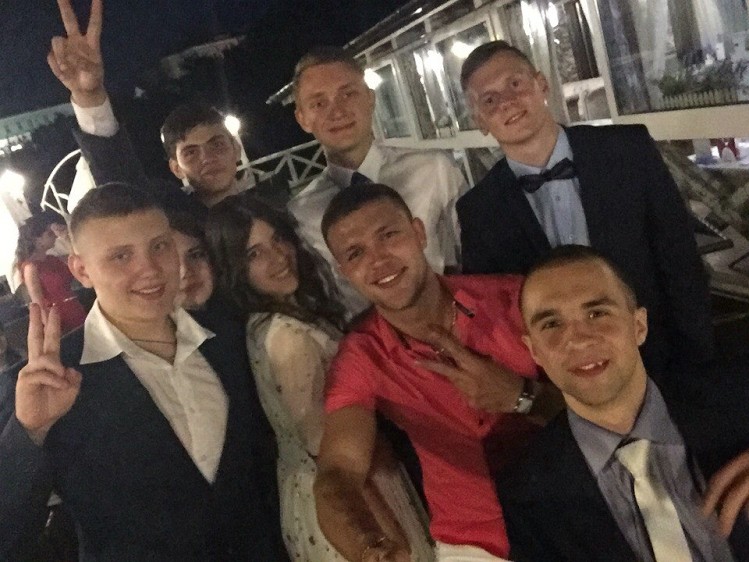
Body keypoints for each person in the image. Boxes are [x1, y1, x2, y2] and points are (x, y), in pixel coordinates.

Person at [0, 184, 287, 561]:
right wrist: (28, 433)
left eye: (159, 246)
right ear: (81, 270)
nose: (150, 269)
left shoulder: (229, 337)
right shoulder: (47, 380)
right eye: (121, 256)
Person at [314, 183, 555, 562]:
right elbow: (338, 472)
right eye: (356, 253)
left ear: (419, 233)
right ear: (344, 273)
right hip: (473, 544)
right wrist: (370, 548)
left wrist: (522, 396)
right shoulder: (363, 355)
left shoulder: (515, 298)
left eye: (388, 235)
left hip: (570, 506)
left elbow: (610, 402)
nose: (378, 260)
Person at [456, 40, 714, 380]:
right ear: (479, 120)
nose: (507, 102)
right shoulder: (478, 210)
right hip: (564, 383)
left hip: (661, 359)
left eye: (515, 84)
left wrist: (697, 360)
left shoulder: (628, 149)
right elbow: (499, 315)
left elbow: (679, 258)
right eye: (489, 100)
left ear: (541, 84)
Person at [206, 196, 434, 561]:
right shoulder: (288, 337)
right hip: (356, 498)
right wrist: (384, 535)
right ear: (234, 269)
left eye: (278, 239)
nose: (278, 257)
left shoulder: (273, 320)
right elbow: (324, 454)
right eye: (254, 254)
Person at [498, 244, 749, 562]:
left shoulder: (737, 394)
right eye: (551, 324)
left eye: (596, 313)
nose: (578, 339)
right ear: (534, 351)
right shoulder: (529, 497)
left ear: (639, 326)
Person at [288, 46, 469, 315]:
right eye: (318, 103)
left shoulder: (433, 169)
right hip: (365, 335)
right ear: (302, 118)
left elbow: (471, 255)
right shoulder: (301, 213)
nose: (337, 111)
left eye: (348, 94)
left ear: (370, 98)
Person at [47, 0, 269, 212]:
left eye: (217, 145)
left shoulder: (275, 212)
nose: (207, 158)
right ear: (176, 168)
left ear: (236, 149)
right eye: (191, 152)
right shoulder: (172, 221)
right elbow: (122, 184)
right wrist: (90, 96)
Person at [15, 214, 86, 333]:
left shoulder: (52, 260)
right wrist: (52, 330)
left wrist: (66, 238)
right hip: (59, 318)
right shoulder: (30, 267)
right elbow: (39, 303)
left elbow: (78, 265)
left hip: (74, 309)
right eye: (49, 234)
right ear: (37, 240)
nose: (54, 236)